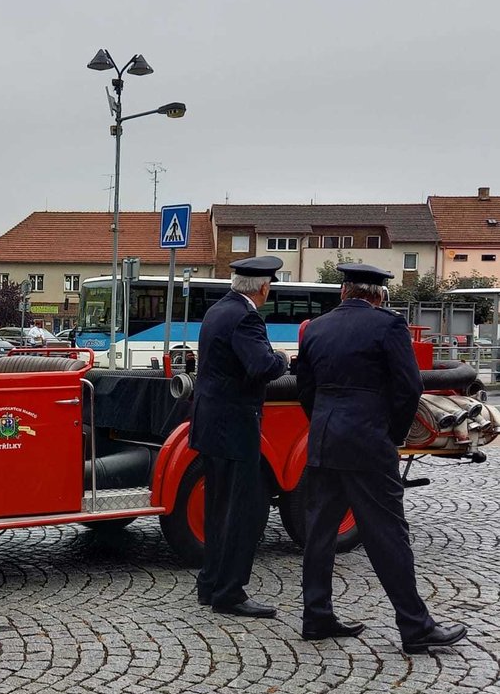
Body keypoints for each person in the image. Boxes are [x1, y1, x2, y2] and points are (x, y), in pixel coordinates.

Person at [296, 262, 467, 653]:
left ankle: (316, 615)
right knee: (388, 533)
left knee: (319, 533)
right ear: (377, 295)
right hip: (369, 442)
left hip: (324, 440)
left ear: (343, 292)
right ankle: (415, 625)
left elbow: (305, 389)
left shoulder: (316, 329)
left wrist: (324, 423)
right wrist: (390, 435)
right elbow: (409, 388)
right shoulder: (388, 327)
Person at [189, 255, 289, 617]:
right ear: (263, 287)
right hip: (236, 427)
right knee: (241, 511)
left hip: (211, 424)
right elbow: (262, 366)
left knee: (217, 508)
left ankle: (210, 583)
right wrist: (282, 358)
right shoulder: (247, 317)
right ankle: (230, 593)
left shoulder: (217, 311)